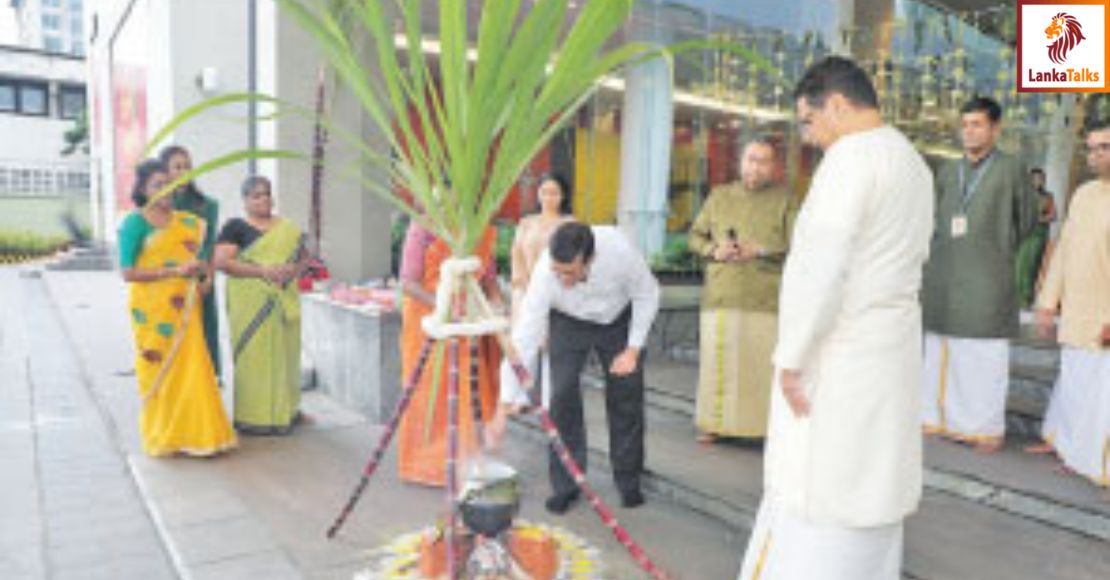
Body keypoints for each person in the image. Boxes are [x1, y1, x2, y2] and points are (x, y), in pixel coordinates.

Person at [737, 56, 933, 580]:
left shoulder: (850, 159)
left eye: (809, 120)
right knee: (870, 486)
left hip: (840, 352)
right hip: (888, 347)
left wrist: (793, 356)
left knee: (821, 489)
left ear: (840, 105)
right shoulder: (911, 161)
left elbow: (821, 268)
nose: (810, 136)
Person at [494, 223, 660, 514]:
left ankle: (628, 479)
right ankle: (566, 485)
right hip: (568, 321)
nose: (562, 278)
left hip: (617, 319)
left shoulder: (620, 252)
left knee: (626, 394)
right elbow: (526, 335)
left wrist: (633, 350)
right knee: (561, 394)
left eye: (569, 272)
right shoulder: (546, 273)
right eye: (558, 271)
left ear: (590, 259)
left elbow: (648, 294)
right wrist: (508, 396)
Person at [920, 96, 1039, 453]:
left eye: (978, 124)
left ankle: (985, 429)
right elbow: (934, 221)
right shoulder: (946, 171)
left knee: (981, 358)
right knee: (941, 352)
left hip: (987, 278)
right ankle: (938, 418)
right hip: (945, 275)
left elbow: (1028, 219)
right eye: (966, 124)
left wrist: (995, 248)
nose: (970, 131)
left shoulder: (1010, 168)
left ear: (995, 129)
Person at [117, 159, 237, 457]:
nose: (166, 190)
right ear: (143, 190)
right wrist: (172, 272)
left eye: (169, 184)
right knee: (158, 368)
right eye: (158, 184)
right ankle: (167, 435)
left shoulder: (187, 222)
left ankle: (200, 436)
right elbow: (127, 273)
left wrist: (197, 270)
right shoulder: (134, 223)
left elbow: (198, 263)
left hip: (184, 306)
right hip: (151, 311)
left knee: (193, 366)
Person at [688, 136, 796, 445]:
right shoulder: (720, 196)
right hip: (722, 293)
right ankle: (714, 425)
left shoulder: (785, 199)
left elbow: (798, 244)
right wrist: (715, 249)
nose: (756, 167)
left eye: (764, 161)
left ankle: (762, 430)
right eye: (751, 159)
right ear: (741, 161)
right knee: (718, 365)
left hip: (764, 297)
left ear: (774, 167)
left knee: (760, 369)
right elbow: (695, 237)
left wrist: (759, 250)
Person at [1026, 121, 1110, 488]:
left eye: (1104, 147)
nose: (1096, 155)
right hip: (1077, 311)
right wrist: (1047, 302)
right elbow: (1064, 252)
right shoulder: (1084, 193)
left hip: (1105, 317)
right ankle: (1073, 449)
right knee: (1076, 383)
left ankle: (1097, 462)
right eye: (1091, 148)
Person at [395, 221, 503, 486]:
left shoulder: (479, 226)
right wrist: (442, 307)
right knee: (427, 394)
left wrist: (496, 305)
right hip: (428, 322)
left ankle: (465, 462)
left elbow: (489, 278)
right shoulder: (423, 228)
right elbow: (408, 282)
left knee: (467, 393)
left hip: (467, 322)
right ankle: (425, 466)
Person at [213, 176, 308, 435]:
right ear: (245, 201)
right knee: (254, 358)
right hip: (251, 304)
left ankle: (287, 411)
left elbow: (304, 259)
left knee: (285, 355)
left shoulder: (287, 228)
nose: (264, 199)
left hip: (281, 301)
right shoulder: (235, 227)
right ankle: (254, 418)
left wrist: (291, 270)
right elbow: (222, 263)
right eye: (256, 195)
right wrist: (263, 270)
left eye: (266, 194)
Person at [510, 173, 576, 407]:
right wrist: (522, 287)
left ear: (563, 195)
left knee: (552, 346)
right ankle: (518, 397)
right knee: (524, 343)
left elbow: (574, 261)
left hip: (557, 293)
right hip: (526, 290)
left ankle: (551, 402)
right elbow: (516, 256)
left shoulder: (570, 224)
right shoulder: (526, 223)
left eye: (554, 193)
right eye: (544, 192)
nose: (548, 197)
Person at [160, 145, 223, 380]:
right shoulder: (158, 207)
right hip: (168, 283)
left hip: (200, 280)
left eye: (187, 166)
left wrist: (208, 277)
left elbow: (210, 245)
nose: (184, 171)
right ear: (164, 171)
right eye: (177, 167)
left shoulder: (207, 206)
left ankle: (207, 383)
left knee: (203, 333)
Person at [1015, 168, 1057, 306]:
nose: (1037, 181)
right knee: (1018, 265)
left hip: (1038, 235)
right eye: (1034, 178)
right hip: (1022, 234)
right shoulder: (1021, 196)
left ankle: (1026, 299)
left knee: (1032, 266)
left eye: (1040, 178)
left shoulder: (1048, 197)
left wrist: (1037, 218)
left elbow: (1053, 215)